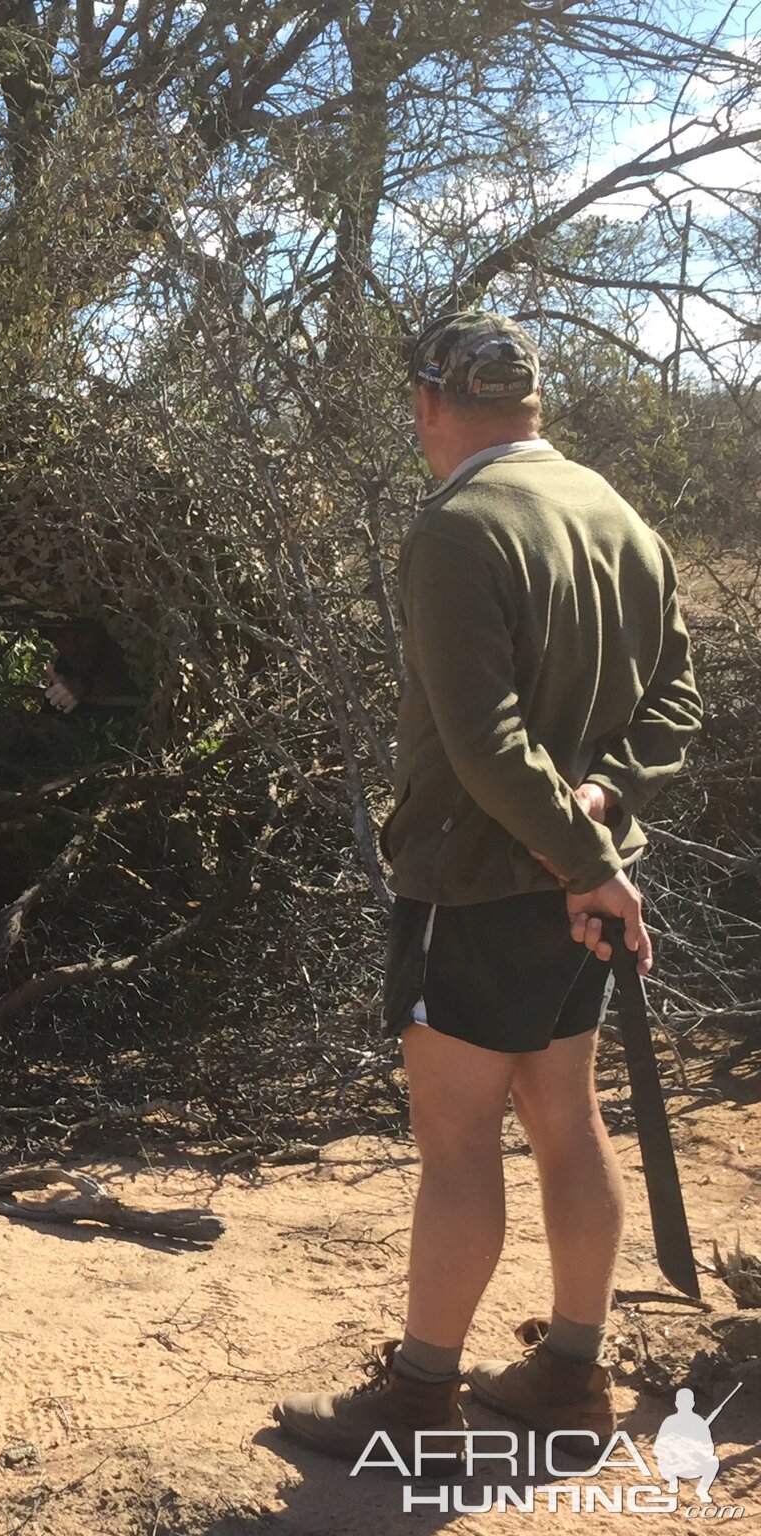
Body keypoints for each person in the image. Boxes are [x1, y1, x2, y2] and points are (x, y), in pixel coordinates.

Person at [273, 312, 702, 1460]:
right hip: (577, 890)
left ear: (426, 404)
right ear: (532, 405)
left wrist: (582, 859)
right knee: (567, 1117)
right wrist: (602, 813)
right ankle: (570, 1372)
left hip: (476, 882)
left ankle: (418, 1396)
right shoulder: (620, 518)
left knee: (456, 1139)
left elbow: (481, 741)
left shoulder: (459, 526)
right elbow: (675, 707)